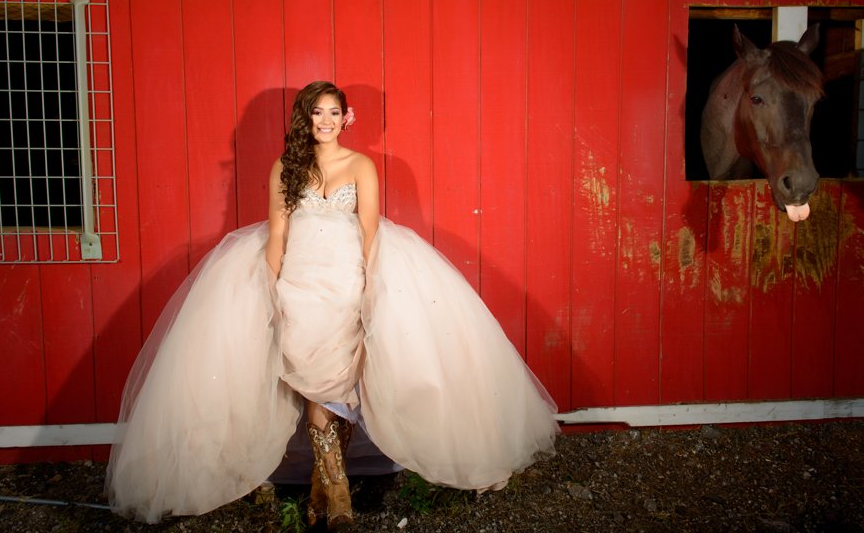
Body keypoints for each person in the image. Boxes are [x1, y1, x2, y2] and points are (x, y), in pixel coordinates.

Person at [105, 81, 559, 529]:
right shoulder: (286, 166)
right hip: (299, 282)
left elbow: (369, 231)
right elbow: (278, 234)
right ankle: (334, 491)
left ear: (347, 118)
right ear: (306, 118)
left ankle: (331, 490)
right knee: (311, 375)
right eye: (316, 112)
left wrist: (370, 287)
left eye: (333, 113)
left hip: (346, 280)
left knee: (342, 379)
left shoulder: (361, 165)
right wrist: (269, 287)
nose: (325, 121)